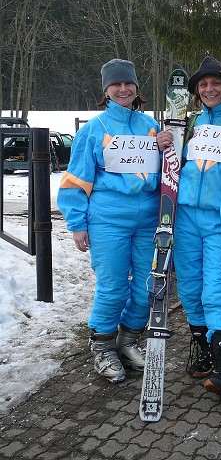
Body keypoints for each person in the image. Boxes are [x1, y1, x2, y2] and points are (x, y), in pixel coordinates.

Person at [58, 59, 173, 383]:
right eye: (116, 84)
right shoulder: (93, 129)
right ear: (106, 90)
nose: (123, 89)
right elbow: (76, 180)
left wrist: (167, 146)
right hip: (108, 219)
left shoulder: (150, 126)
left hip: (149, 218)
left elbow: (168, 172)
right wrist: (77, 223)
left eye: (129, 84)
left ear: (137, 88)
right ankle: (103, 347)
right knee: (112, 288)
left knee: (148, 287)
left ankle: (128, 340)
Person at [161, 56, 221, 396]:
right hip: (185, 216)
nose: (209, 89)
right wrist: (162, 143)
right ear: (195, 92)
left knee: (218, 286)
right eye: (203, 85)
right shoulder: (188, 123)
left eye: (216, 83)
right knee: (190, 286)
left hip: (219, 216)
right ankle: (202, 346)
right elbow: (170, 163)